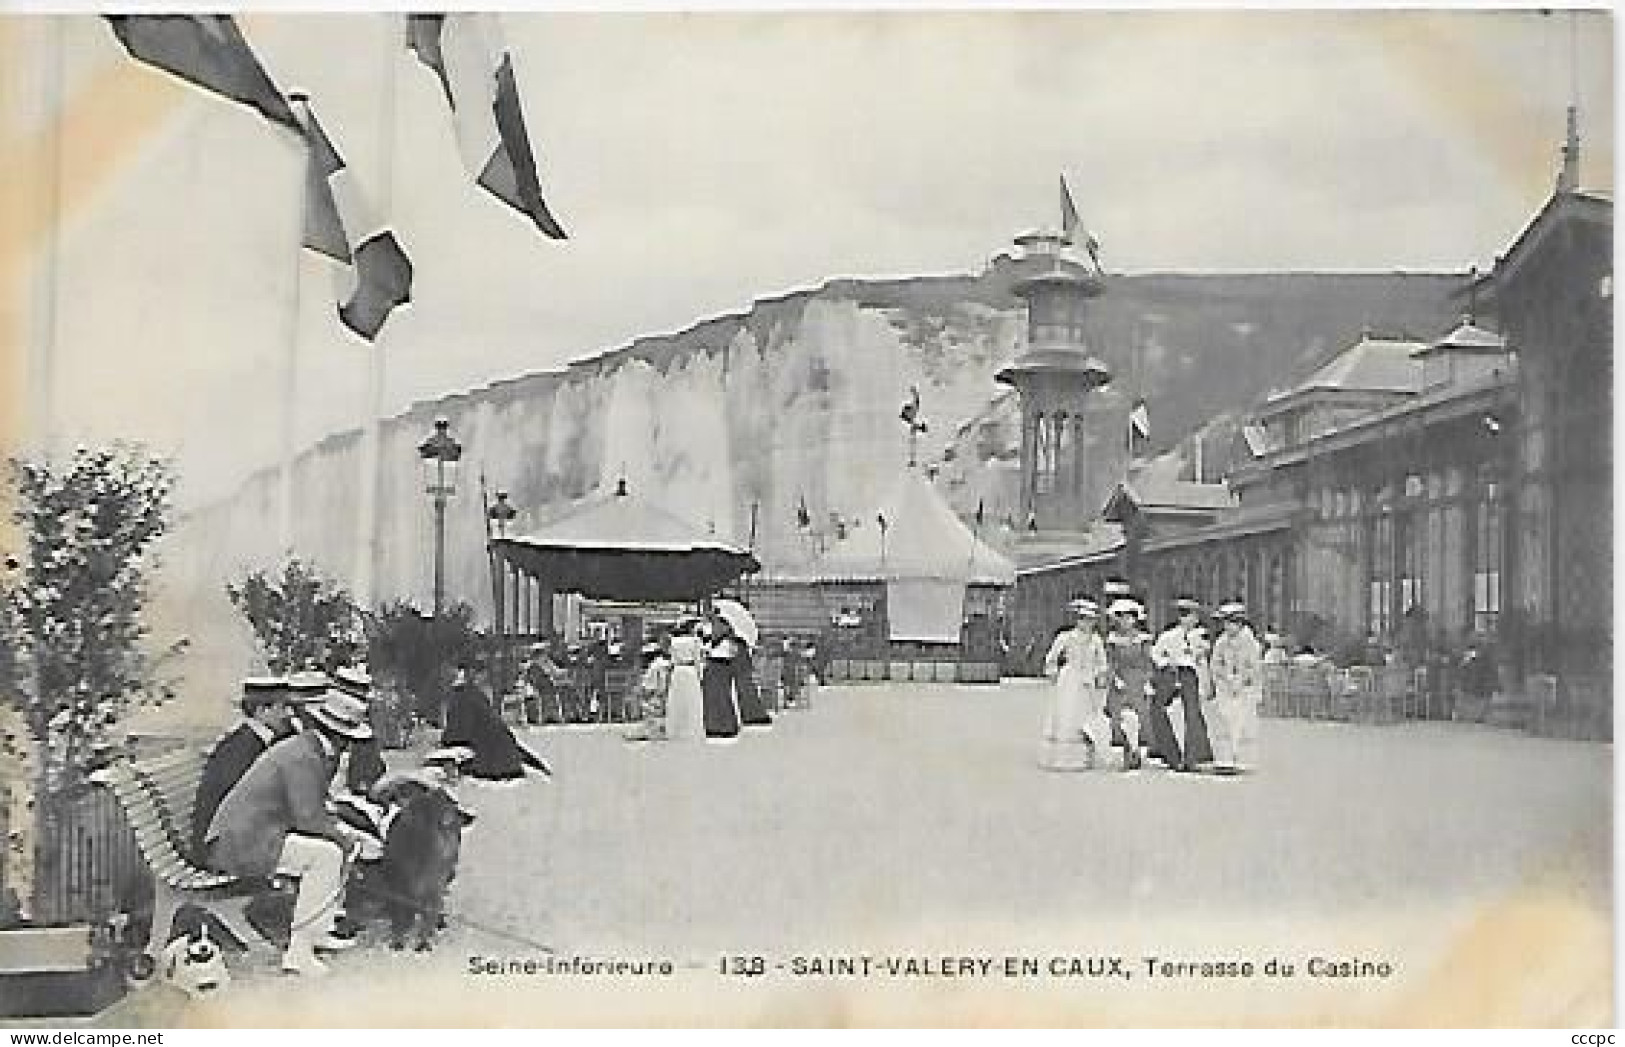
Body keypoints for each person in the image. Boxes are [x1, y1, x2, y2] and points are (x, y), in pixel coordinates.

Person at [202, 687, 374, 976]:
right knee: (326, 856)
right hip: (241, 842)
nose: (350, 746)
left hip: (256, 834)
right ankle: (299, 952)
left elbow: (313, 809)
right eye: (350, 739)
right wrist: (349, 840)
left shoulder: (308, 748)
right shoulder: (303, 756)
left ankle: (318, 931)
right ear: (340, 736)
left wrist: (343, 833)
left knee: (330, 851)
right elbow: (308, 818)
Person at [191, 677, 301, 861]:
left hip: (238, 838)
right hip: (224, 848)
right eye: (282, 707)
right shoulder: (239, 752)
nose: (289, 714)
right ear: (261, 711)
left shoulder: (253, 741)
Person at [441, 662, 551, 783]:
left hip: (492, 771)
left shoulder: (463, 700)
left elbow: (457, 737)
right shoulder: (475, 699)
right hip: (507, 766)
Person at [1038, 599, 1113, 771]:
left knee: (1087, 718)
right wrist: (1053, 672)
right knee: (1067, 715)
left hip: (1087, 681)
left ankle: (1084, 758)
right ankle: (1062, 758)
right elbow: (1052, 657)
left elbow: (1102, 661)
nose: (1086, 623)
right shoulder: (1065, 637)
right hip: (1069, 679)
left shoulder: (1096, 640)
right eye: (1082, 619)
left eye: (1090, 620)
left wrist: (1100, 675)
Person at [1150, 597, 1214, 772]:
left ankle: (1192, 756)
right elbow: (1155, 654)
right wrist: (1166, 663)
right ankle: (1171, 754)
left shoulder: (1201, 636)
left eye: (1193, 616)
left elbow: (1203, 661)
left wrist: (1205, 680)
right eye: (1186, 616)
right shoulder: (1169, 636)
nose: (1190, 620)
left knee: (1191, 716)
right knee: (1164, 711)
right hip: (1171, 675)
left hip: (1191, 676)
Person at [1208, 602, 1263, 774]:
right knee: (1224, 721)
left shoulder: (1250, 642)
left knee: (1243, 722)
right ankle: (1224, 760)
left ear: (1239, 623)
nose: (1227, 626)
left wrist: (1240, 680)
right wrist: (1225, 678)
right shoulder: (1221, 642)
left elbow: (1254, 667)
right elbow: (1215, 664)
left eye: (1230, 622)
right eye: (1225, 623)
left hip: (1245, 688)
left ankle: (1243, 760)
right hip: (1225, 687)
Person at [1105, 599, 1153, 771]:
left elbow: (1148, 661)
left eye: (1129, 618)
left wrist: (1148, 680)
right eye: (1122, 618)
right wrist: (1114, 677)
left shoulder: (1143, 639)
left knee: (1140, 716)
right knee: (1121, 717)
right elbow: (1110, 661)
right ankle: (1126, 750)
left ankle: (1138, 751)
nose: (1126, 622)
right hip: (1121, 680)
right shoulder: (1113, 640)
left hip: (1138, 680)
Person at [702, 615, 746, 741]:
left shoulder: (728, 641)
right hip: (712, 669)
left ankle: (726, 726)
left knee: (722, 697)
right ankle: (713, 726)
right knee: (712, 698)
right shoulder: (710, 641)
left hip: (721, 668)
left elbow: (731, 655)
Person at [665, 619, 707, 742]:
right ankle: (692, 729)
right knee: (692, 700)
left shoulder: (674, 641)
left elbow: (672, 660)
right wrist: (700, 675)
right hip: (690, 671)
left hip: (678, 671)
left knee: (677, 700)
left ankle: (675, 729)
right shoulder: (695, 641)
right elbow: (697, 659)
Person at [625, 642, 673, 742]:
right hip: (667, 701)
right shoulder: (666, 664)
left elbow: (649, 689)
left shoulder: (654, 667)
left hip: (655, 703)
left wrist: (637, 692)